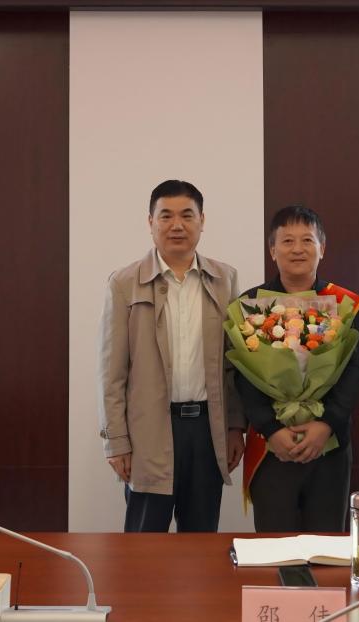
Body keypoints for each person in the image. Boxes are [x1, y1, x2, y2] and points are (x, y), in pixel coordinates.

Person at [98, 179, 245, 532]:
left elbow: (234, 364)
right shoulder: (124, 283)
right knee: (144, 545)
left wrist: (235, 426)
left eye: (187, 215)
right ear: (151, 222)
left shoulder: (224, 279)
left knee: (201, 540)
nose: (176, 225)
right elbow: (112, 372)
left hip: (207, 431)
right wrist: (116, 441)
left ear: (202, 221)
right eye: (166, 216)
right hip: (148, 433)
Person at [235, 205, 359, 532]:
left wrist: (326, 424)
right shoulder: (250, 305)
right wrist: (271, 429)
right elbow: (242, 376)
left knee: (326, 546)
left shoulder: (345, 304)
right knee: (275, 547)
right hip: (272, 448)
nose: (297, 249)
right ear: (272, 250)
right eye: (287, 241)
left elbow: (355, 370)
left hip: (329, 447)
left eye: (307, 240)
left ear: (322, 248)